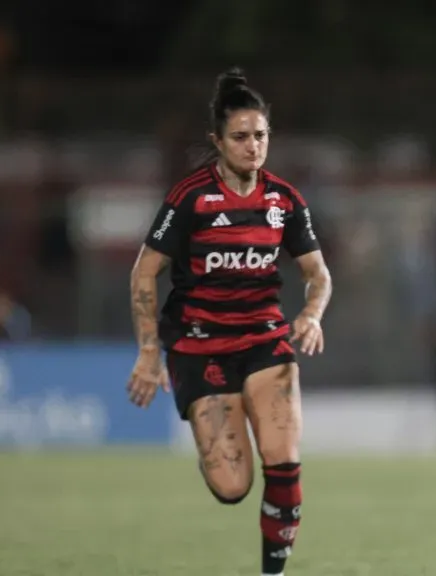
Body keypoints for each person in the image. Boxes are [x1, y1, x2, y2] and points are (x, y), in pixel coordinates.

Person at [126, 67, 332, 576]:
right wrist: (150, 352)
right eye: (240, 137)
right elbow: (144, 273)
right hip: (200, 348)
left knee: (283, 459)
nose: (253, 146)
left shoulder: (284, 201)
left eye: (260, 135)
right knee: (233, 487)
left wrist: (310, 313)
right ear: (217, 140)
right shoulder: (191, 198)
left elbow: (318, 274)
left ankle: (272, 573)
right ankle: (213, 443)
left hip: (264, 341)